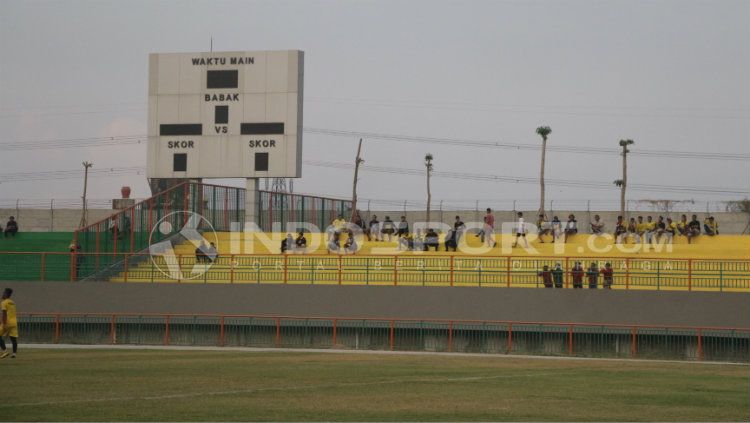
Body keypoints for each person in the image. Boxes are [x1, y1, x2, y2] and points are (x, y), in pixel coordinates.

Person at [0, 288, 18, 359]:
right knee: (13, 338)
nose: (2, 294)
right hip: (14, 323)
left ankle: (5, 351)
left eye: (4, 293)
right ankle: (14, 354)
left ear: (6, 294)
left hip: (7, 322)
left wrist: (4, 324)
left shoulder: (4, 302)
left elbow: (4, 314)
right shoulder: (13, 302)